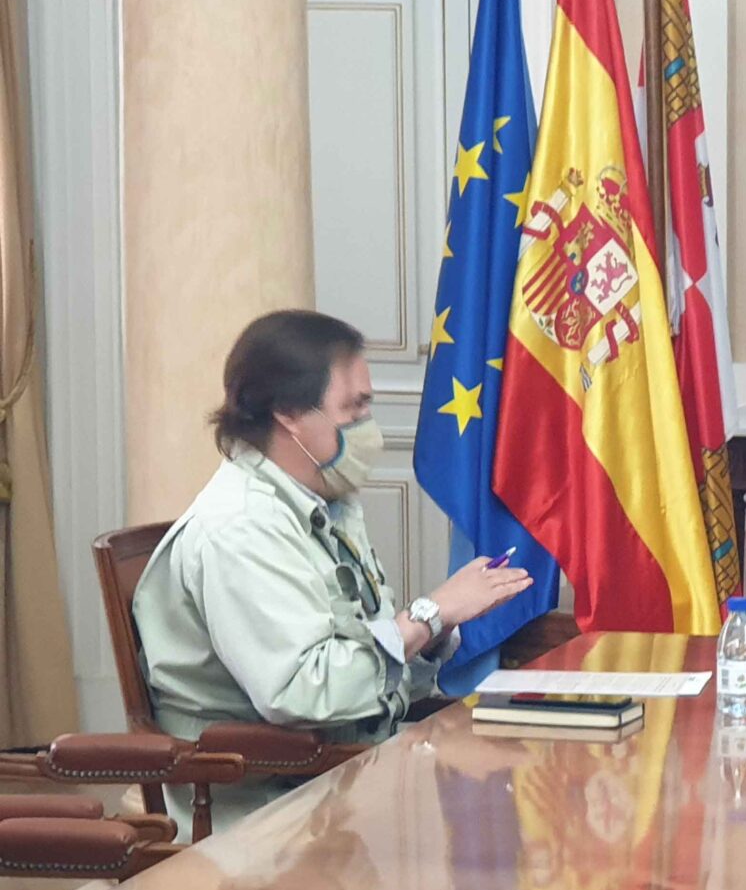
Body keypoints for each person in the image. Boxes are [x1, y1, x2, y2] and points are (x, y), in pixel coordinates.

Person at [134, 310, 532, 822]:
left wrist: (438, 629)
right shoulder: (241, 527)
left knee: (530, 774)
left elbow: (365, 660)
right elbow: (302, 691)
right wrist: (431, 613)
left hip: (343, 773)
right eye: (354, 407)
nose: (368, 426)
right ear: (288, 413)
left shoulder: (321, 502)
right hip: (271, 808)